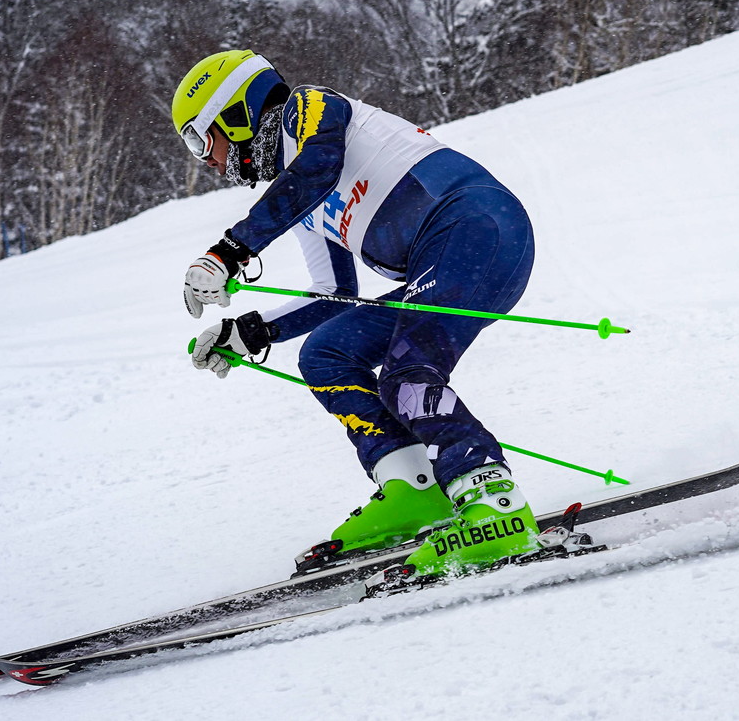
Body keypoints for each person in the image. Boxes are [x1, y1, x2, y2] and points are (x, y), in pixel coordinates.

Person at [173, 49, 541, 579]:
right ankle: (413, 489)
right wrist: (252, 332)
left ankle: (496, 503)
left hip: (478, 229)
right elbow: (333, 292)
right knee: (327, 352)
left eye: (200, 140)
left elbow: (318, 167)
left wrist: (229, 251)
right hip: (441, 259)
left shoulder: (311, 109)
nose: (206, 161)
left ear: (236, 112)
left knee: (408, 373)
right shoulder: (300, 199)